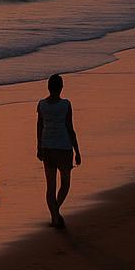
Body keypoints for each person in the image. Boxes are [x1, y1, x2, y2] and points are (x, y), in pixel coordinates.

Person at [36, 74, 81, 228]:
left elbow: (39, 127)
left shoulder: (42, 104)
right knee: (65, 183)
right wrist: (77, 150)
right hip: (63, 147)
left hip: (47, 147)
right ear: (61, 88)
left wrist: (39, 146)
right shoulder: (65, 105)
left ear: (49, 87)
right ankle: (56, 212)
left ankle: (55, 215)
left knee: (50, 186)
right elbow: (70, 128)